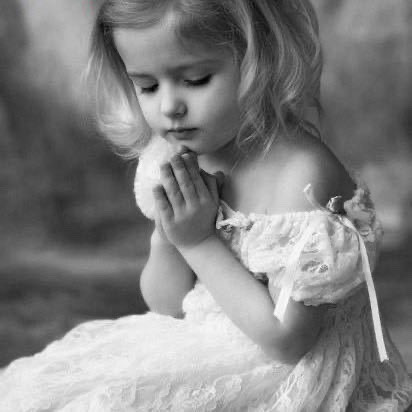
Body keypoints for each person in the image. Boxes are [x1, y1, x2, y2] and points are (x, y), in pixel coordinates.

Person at [1, 0, 411, 410]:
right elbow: (165, 304)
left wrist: (197, 242)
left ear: (260, 62)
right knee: (42, 393)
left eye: (196, 80)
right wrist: (171, 237)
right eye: (147, 86)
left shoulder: (302, 177)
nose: (169, 107)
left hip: (290, 371)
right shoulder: (178, 153)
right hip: (206, 338)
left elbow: (288, 342)